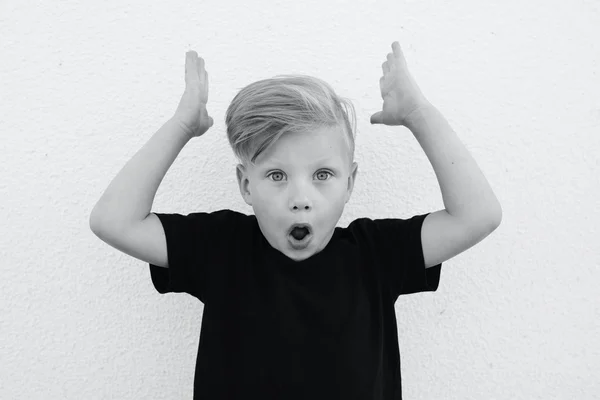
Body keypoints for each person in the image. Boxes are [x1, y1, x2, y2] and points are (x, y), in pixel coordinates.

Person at [90, 41, 502, 399]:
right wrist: (182, 125)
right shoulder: (220, 248)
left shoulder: (378, 254)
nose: (300, 199)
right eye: (276, 176)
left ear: (350, 183)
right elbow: (113, 220)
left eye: (322, 175)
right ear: (246, 186)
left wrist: (417, 113)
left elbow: (477, 215)